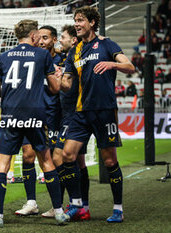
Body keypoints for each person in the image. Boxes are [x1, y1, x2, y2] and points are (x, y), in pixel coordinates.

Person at [0, 19, 68, 228]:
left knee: (2, 164)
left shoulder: (4, 56)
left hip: (11, 115)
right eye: (38, 36)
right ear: (33, 36)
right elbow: (55, 88)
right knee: (46, 161)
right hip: (36, 115)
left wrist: (11, 91)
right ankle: (58, 212)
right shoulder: (42, 55)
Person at [59, 6, 135, 223]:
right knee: (68, 155)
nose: (76, 24)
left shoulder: (106, 44)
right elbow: (67, 84)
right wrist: (58, 80)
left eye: (80, 20)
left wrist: (112, 63)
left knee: (110, 161)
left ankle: (118, 209)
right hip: (81, 112)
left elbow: (130, 67)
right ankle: (77, 205)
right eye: (75, 20)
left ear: (92, 22)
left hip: (104, 111)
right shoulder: (74, 51)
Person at [41, 24, 91, 221]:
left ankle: (75, 203)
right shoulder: (68, 56)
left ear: (73, 40)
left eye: (63, 37)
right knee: (76, 161)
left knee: (60, 159)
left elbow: (69, 86)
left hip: (74, 115)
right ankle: (80, 205)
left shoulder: (75, 59)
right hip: (65, 115)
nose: (61, 40)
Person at [14, 25, 63, 217]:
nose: (41, 41)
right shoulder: (31, 58)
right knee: (27, 155)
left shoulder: (60, 60)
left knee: (52, 160)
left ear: (54, 40)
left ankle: (57, 205)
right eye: (39, 37)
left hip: (53, 116)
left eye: (46, 38)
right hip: (31, 115)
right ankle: (31, 202)